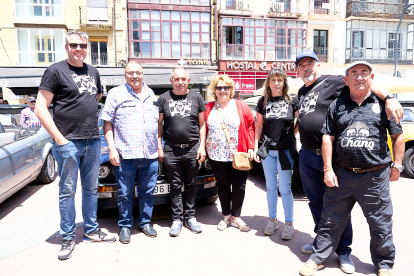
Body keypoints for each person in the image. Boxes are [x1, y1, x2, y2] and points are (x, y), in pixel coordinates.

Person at [295, 50, 403, 274]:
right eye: (354, 73)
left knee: (380, 223)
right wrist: (328, 168)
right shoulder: (321, 99)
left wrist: (390, 97)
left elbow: (397, 135)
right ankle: (320, 255)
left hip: (374, 175)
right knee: (329, 216)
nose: (359, 77)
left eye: (364, 73)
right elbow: (327, 134)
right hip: (338, 169)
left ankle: (380, 263)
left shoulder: (339, 86)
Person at [35, 30, 115, 261]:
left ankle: (90, 231)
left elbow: (96, 97)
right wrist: (60, 139)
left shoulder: (93, 71)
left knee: (91, 190)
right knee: (67, 192)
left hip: (92, 140)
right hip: (68, 142)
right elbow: (41, 107)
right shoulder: (55, 70)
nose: (78, 49)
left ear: (86, 47)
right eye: (73, 45)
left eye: (82, 45)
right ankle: (68, 236)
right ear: (66, 47)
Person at [100, 61, 158, 244]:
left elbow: (157, 124)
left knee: (148, 191)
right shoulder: (115, 93)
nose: (135, 76)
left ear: (143, 74)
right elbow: (107, 122)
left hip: (149, 154)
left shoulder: (151, 95)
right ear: (125, 75)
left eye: (138, 72)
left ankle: (145, 222)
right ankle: (125, 225)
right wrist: (111, 148)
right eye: (130, 72)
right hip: (125, 154)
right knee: (124, 193)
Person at [157, 67, 207, 237]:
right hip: (171, 149)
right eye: (176, 79)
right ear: (171, 80)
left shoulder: (197, 97)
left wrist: (202, 146)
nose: (180, 82)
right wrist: (159, 146)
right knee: (176, 185)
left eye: (183, 79)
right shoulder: (163, 98)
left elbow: (202, 124)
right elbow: (158, 125)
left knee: (191, 184)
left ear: (188, 80)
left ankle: (191, 217)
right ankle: (177, 219)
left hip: (192, 148)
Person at [205, 74, 255, 232]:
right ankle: (226, 215)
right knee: (223, 186)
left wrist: (251, 146)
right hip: (216, 155)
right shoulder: (208, 108)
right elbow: (202, 128)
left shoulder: (241, 106)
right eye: (219, 87)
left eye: (226, 87)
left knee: (239, 186)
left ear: (231, 89)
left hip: (238, 155)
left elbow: (250, 126)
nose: (223, 90)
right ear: (215, 90)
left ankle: (236, 217)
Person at [253, 69, 299, 239]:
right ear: (268, 82)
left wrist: (291, 135)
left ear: (284, 82)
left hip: (286, 151)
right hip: (267, 151)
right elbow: (258, 126)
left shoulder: (292, 100)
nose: (277, 83)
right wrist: (254, 147)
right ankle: (272, 220)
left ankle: (289, 223)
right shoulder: (263, 101)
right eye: (273, 80)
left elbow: (300, 120)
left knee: (285, 188)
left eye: (280, 80)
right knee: (271, 187)